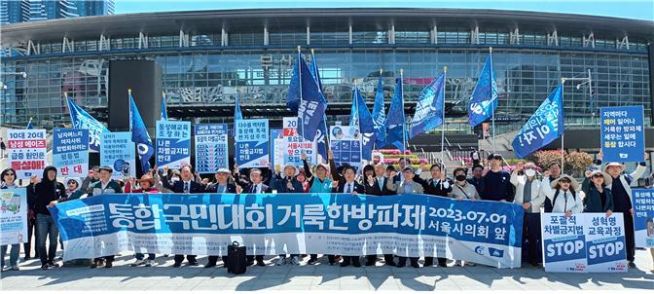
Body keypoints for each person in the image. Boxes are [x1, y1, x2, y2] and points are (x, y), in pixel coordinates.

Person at [604, 161, 648, 268]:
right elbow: (591, 173)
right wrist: (599, 159)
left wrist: (642, 160)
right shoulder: (604, 180)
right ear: (607, 170)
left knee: (628, 236)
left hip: (626, 212)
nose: (615, 170)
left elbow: (638, 172)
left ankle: (629, 258)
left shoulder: (626, 178)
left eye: (617, 168)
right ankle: (612, 258)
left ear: (621, 169)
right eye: (612, 168)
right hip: (610, 214)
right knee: (611, 237)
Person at [162, 164, 204, 267]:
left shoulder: (196, 185)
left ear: (190, 173)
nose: (185, 174)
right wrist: (165, 172)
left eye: (187, 171)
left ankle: (191, 258)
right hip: (178, 216)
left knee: (190, 238)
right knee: (177, 238)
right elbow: (166, 184)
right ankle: (178, 259)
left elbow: (201, 198)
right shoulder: (176, 184)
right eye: (183, 172)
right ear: (180, 174)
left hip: (191, 215)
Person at [413, 163, 451, 268]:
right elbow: (416, 178)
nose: (435, 172)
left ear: (441, 172)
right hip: (429, 215)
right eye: (433, 170)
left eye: (437, 170)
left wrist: (444, 180)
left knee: (441, 239)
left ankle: (442, 261)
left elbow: (449, 189)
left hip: (441, 215)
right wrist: (420, 168)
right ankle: (428, 260)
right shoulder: (428, 182)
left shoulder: (445, 182)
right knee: (428, 239)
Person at [28, 166, 66, 270]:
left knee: (53, 240)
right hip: (41, 216)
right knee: (41, 240)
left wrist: (57, 201)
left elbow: (65, 198)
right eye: (50, 172)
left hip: (55, 216)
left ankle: (51, 260)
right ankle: (44, 262)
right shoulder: (39, 185)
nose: (52, 174)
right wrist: (31, 184)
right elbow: (30, 196)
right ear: (45, 173)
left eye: (54, 173)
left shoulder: (59, 185)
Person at [87, 166, 123, 268]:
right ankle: (97, 258)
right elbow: (89, 199)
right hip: (97, 215)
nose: (103, 175)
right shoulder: (94, 185)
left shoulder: (115, 185)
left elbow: (120, 199)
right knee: (96, 237)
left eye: (105, 173)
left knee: (109, 238)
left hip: (110, 215)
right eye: (101, 173)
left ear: (110, 174)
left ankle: (109, 259)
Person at [510, 162, 544, 267]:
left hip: (534, 212)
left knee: (534, 236)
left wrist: (530, 203)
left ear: (535, 170)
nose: (530, 170)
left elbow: (541, 198)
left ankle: (533, 259)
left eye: (532, 168)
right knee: (520, 235)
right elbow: (512, 180)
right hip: (520, 212)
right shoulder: (520, 179)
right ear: (524, 170)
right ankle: (518, 258)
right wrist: (516, 170)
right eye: (528, 168)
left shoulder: (539, 183)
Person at [388, 167, 423, 268]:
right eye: (405, 172)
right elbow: (390, 187)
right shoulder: (399, 184)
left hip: (414, 216)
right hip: (401, 215)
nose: (407, 174)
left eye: (409, 172)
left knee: (414, 239)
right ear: (403, 174)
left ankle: (414, 261)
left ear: (413, 175)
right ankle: (401, 260)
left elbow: (422, 199)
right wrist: (390, 177)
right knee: (401, 238)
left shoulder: (418, 186)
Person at [363, 163, 396, 267]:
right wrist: (371, 184)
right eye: (377, 169)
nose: (379, 171)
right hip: (373, 214)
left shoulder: (390, 181)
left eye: (381, 169)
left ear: (385, 171)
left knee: (387, 238)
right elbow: (368, 193)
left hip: (386, 214)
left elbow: (393, 194)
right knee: (372, 237)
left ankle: (389, 259)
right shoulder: (370, 181)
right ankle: (371, 259)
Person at [271, 163, 304, 266]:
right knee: (280, 235)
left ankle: (294, 256)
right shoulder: (279, 182)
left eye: (291, 169)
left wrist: (292, 188)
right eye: (287, 169)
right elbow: (272, 191)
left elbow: (301, 197)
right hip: (281, 212)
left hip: (293, 212)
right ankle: (281, 256)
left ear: (294, 172)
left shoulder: (298, 183)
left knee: (293, 235)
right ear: (284, 171)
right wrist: (274, 174)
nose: (289, 171)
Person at [203, 168, 238, 268]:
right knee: (212, 238)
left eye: (224, 174)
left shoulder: (232, 187)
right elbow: (205, 200)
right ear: (216, 176)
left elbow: (236, 201)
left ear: (227, 176)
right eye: (219, 174)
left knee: (226, 239)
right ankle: (212, 260)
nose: (221, 176)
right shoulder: (210, 187)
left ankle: (227, 260)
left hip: (227, 217)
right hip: (213, 216)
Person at [331, 164, 364, 267]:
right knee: (344, 238)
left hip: (355, 216)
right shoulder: (340, 186)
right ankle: (346, 259)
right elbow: (333, 199)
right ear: (344, 175)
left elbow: (366, 201)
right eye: (347, 173)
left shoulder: (360, 187)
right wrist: (333, 189)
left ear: (355, 175)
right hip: (343, 215)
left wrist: (358, 196)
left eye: (351, 173)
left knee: (355, 238)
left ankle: (355, 259)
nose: (349, 175)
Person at [303, 154, 333, 265]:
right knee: (313, 235)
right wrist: (304, 160)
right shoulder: (312, 181)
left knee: (328, 234)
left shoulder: (330, 183)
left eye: (322, 169)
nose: (320, 171)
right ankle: (313, 256)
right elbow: (307, 172)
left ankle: (330, 256)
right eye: (318, 169)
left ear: (326, 172)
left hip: (327, 212)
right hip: (314, 212)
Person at [125, 173, 159, 267]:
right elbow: (127, 193)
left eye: (146, 182)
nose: (143, 183)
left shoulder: (154, 191)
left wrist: (147, 194)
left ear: (149, 183)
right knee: (136, 238)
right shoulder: (137, 191)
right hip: (137, 219)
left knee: (150, 239)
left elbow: (156, 196)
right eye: (142, 182)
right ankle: (139, 258)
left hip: (149, 219)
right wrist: (129, 183)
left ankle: (151, 258)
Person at [448, 167, 480, 267]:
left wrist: (475, 200)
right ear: (455, 176)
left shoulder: (472, 187)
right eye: (458, 173)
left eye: (462, 173)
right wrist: (454, 198)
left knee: (468, 238)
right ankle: (457, 260)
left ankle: (468, 259)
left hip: (469, 217)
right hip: (456, 216)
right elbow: (446, 200)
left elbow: (480, 200)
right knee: (455, 239)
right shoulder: (451, 187)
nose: (460, 175)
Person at [240, 168, 271, 267]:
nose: (254, 177)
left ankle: (260, 258)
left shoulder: (267, 189)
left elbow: (270, 203)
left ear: (261, 177)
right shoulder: (246, 188)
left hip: (261, 217)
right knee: (248, 238)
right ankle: (249, 258)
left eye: (256, 175)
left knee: (259, 239)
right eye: (252, 175)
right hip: (248, 216)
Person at [1, 168, 21, 271]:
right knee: (2, 244)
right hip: (3, 221)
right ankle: (1, 264)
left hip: (16, 220)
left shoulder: (19, 189)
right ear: (3, 177)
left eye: (11, 174)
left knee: (16, 243)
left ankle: (14, 263)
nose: (9, 176)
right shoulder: (0, 189)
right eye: (7, 174)